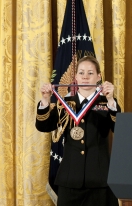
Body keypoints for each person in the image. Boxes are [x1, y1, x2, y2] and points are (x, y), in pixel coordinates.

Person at [36, 56, 120, 206]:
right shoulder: (65, 104)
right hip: (70, 181)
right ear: (75, 77)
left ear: (99, 77)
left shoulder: (107, 103)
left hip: (100, 181)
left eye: (90, 73)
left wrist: (112, 100)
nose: (85, 77)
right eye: (81, 73)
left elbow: (119, 129)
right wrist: (45, 100)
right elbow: (44, 126)